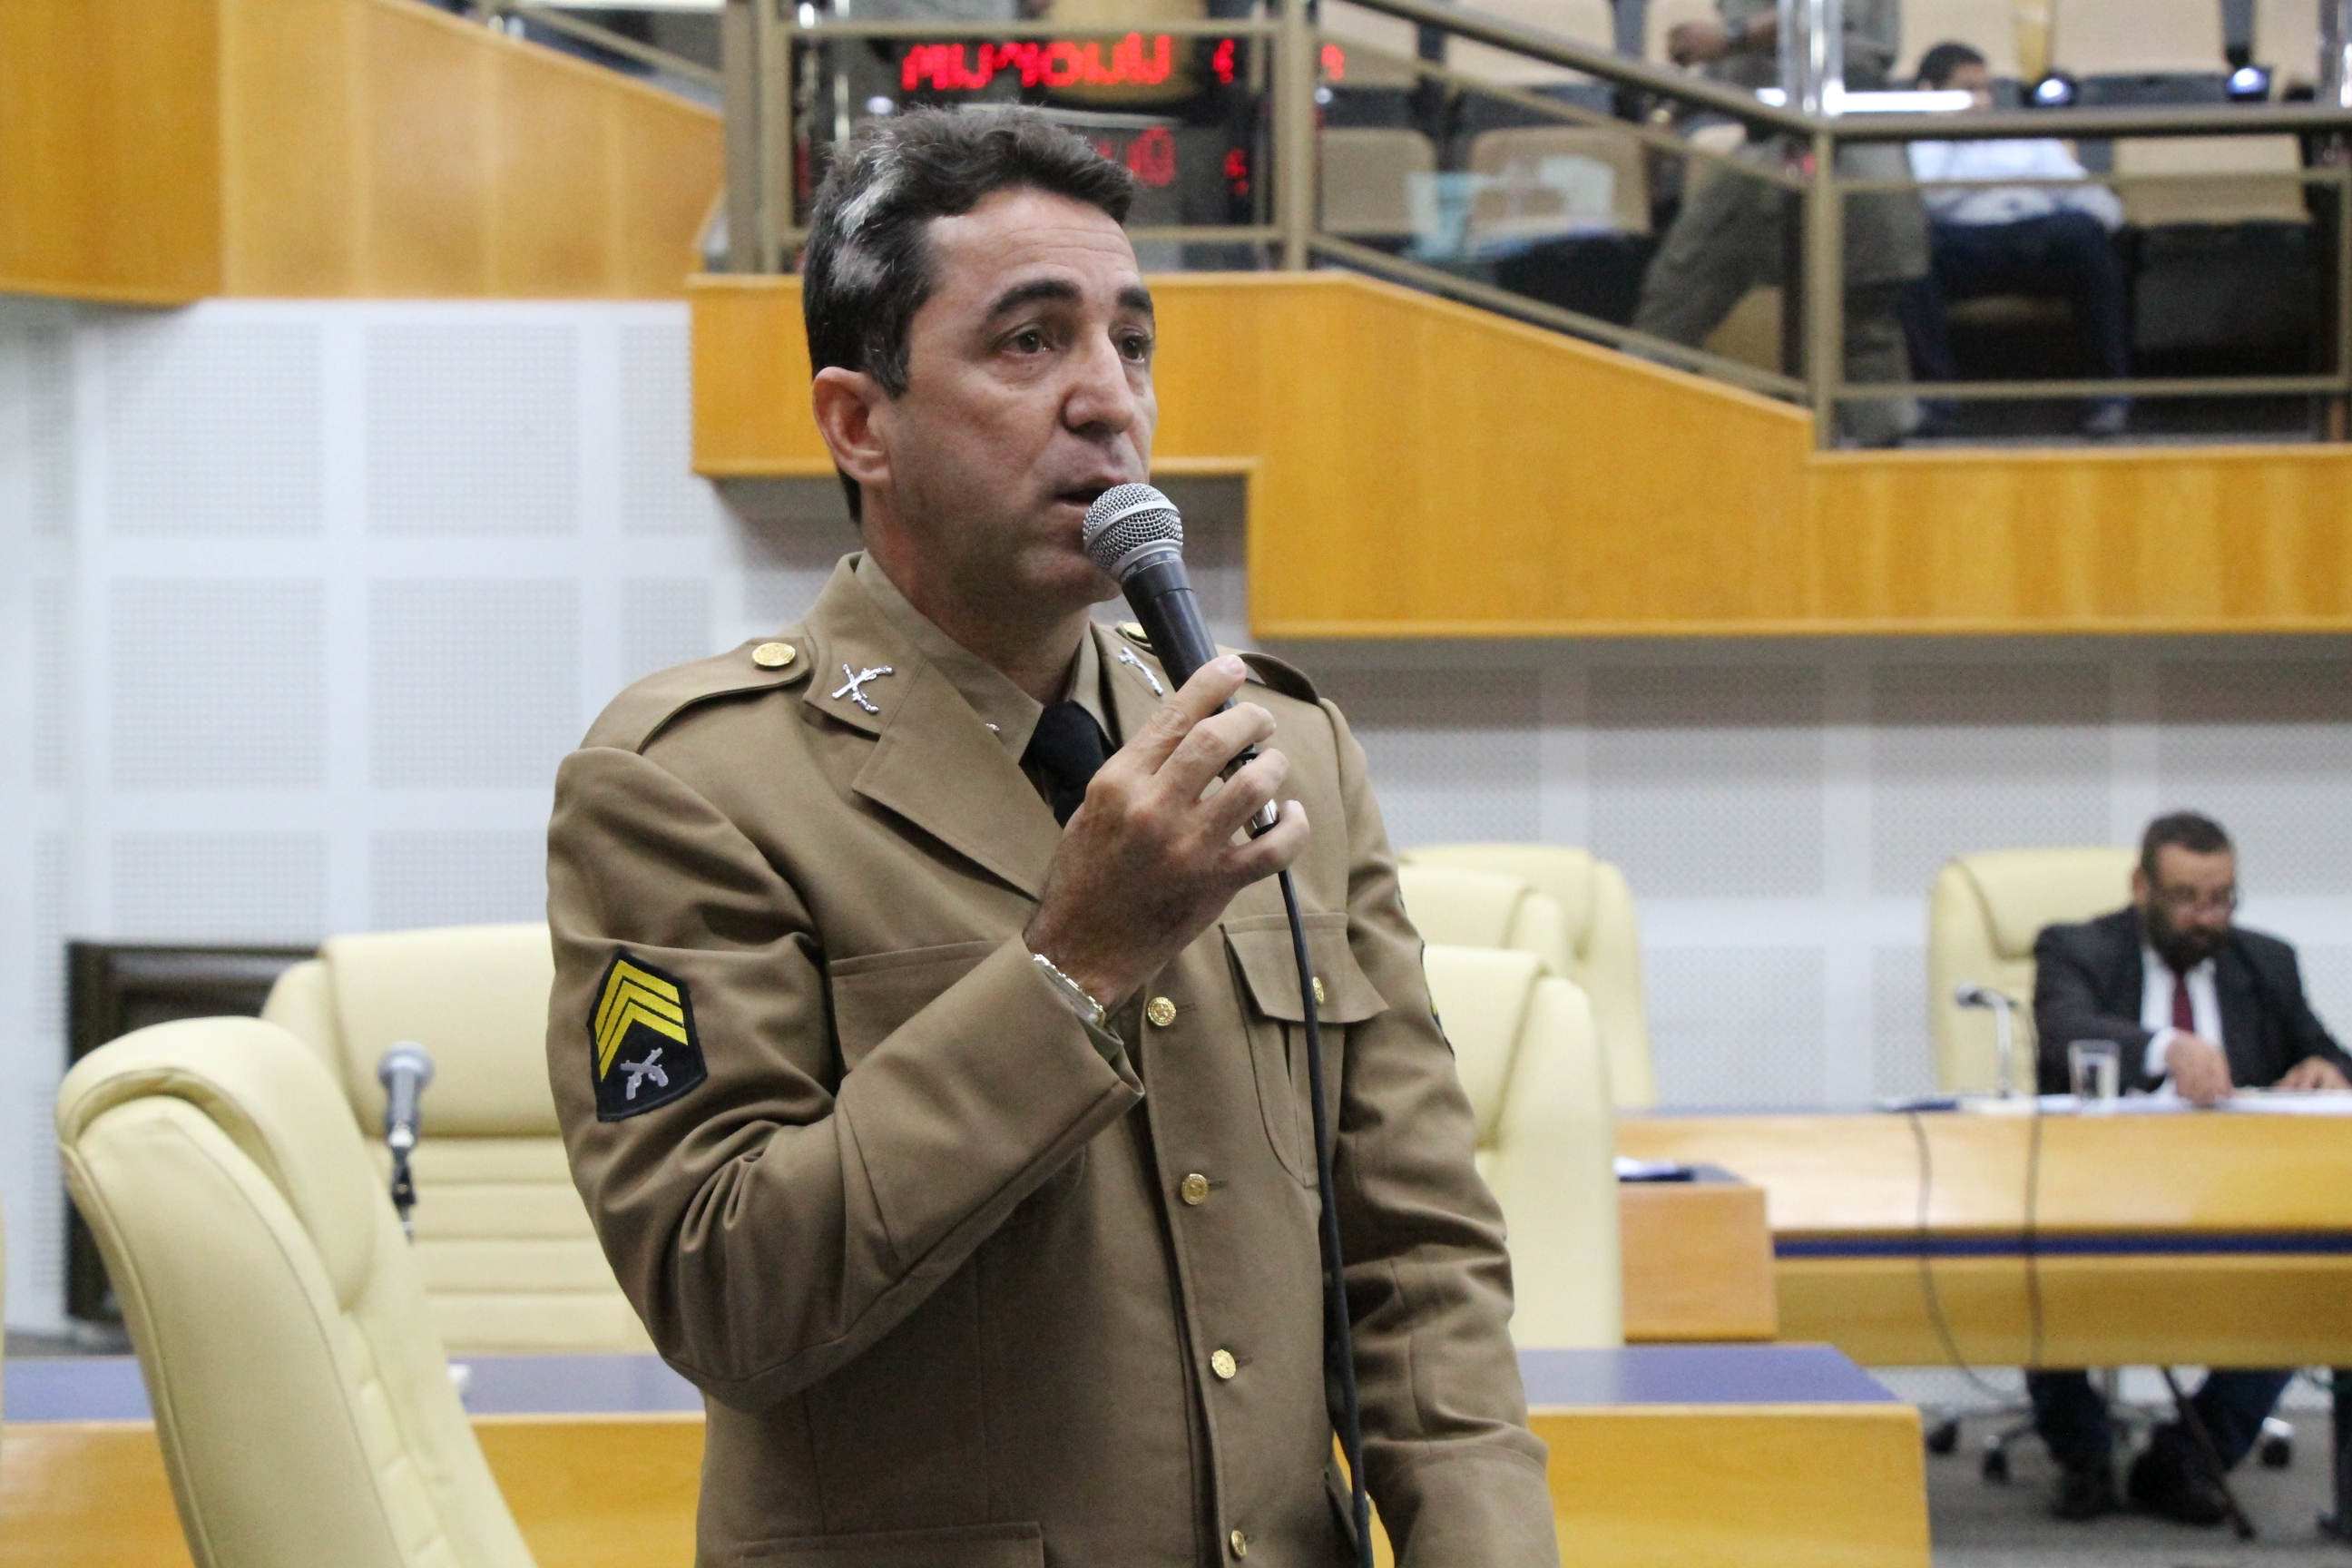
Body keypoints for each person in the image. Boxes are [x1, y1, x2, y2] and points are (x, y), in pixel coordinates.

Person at [544, 106, 1559, 1567]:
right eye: (1029, 342)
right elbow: (722, 1293)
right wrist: (1071, 965)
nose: (1107, 402)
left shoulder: (1280, 746)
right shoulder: (693, 787)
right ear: (859, 423)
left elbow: (1417, 1264)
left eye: (1129, 343)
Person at [2028, 809, 2352, 1524]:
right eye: (2186, 899)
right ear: (2141, 887)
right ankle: (2083, 1454)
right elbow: (2062, 1028)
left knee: (2317, 1279)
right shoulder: (2078, 947)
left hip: (2236, 1187)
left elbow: (2329, 1051)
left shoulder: (2264, 961)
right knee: (2026, 1265)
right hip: (2096, 1184)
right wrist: (2165, 1047)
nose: (2207, 918)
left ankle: (2185, 1460)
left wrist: (2324, 1070)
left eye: (2221, 899)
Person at [1632, 0, 1929, 446]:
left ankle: (1639, 435)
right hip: (1834, 152)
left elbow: (1823, 19)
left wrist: (1731, 38)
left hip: (1829, 148)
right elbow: (1744, 69)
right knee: (1861, 330)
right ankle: (1883, 462)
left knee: (1678, 295)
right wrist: (1672, 111)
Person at [1897, 42, 2133, 438]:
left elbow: (2083, 193)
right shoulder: (1916, 144)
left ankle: (2108, 398)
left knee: (2088, 237)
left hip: (2033, 237)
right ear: (1929, 92)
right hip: (1961, 244)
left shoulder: (2021, 135)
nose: (1982, 100)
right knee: (1910, 254)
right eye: (1967, 89)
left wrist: (2102, 220)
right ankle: (1936, 400)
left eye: (1985, 89)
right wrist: (1946, 129)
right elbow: (1931, 197)